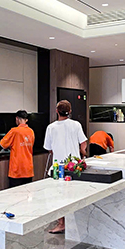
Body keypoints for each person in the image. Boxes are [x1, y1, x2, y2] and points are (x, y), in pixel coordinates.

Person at [43, 100, 87, 233]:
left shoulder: (51, 127)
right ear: (70, 111)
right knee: (75, 195)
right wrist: (83, 153)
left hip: (59, 168)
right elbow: (83, 142)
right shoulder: (76, 125)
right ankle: (76, 223)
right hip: (75, 167)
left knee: (58, 197)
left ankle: (61, 223)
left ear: (57, 111)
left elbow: (48, 148)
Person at [0, 110, 35, 188]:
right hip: (28, 169)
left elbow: (2, 144)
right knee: (28, 193)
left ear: (17, 119)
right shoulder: (31, 131)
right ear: (26, 120)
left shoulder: (14, 131)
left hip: (17, 169)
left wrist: (11, 146)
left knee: (15, 194)